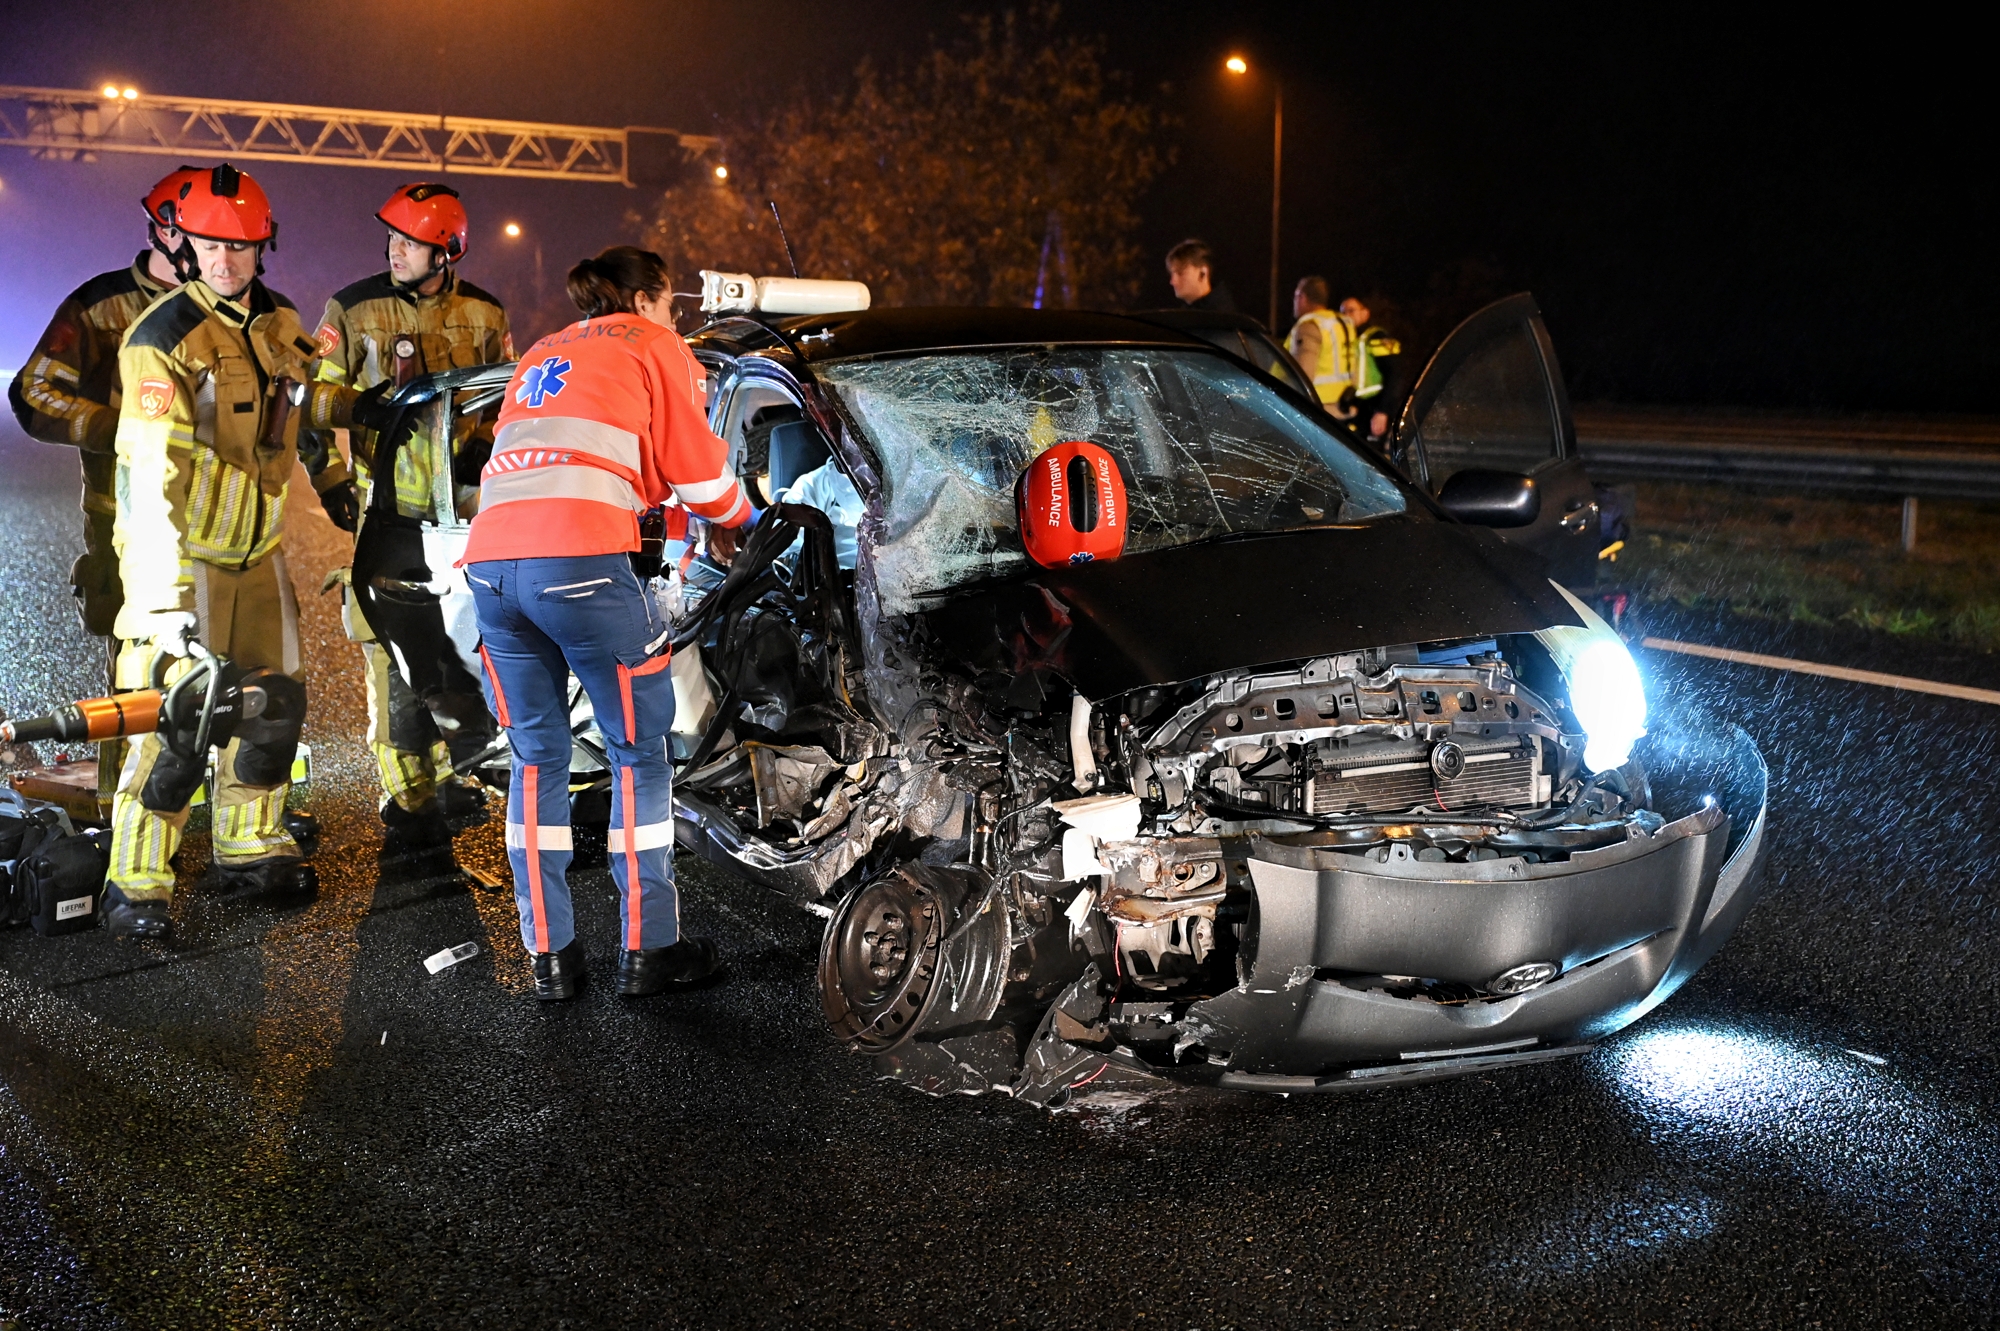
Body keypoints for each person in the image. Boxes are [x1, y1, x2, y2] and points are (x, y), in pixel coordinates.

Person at [103, 163, 383, 939]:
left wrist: (361, 410)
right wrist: (161, 604)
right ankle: (135, 881)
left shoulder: (281, 321)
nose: (226, 260)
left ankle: (248, 846)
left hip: (257, 553)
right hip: (186, 558)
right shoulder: (162, 339)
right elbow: (148, 480)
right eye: (210, 245)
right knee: (176, 717)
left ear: (264, 246)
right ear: (185, 246)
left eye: (241, 245)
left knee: (273, 705)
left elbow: (303, 404)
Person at [463, 245, 751, 1001]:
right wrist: (745, 520)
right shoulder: (656, 342)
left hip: (491, 568)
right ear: (651, 297)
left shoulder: (543, 348)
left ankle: (549, 958)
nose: (675, 317)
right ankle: (649, 949)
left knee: (536, 761)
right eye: (671, 304)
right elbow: (697, 465)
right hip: (583, 564)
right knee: (638, 755)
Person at [302, 182, 514, 847]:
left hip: (464, 508)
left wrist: (486, 455)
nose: (395, 250)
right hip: (387, 508)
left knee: (460, 642)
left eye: (411, 242)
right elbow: (307, 396)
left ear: (446, 251)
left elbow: (508, 394)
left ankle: (460, 773)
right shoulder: (353, 308)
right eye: (391, 237)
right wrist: (332, 469)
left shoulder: (484, 312)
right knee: (390, 650)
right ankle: (408, 793)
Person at [9, 167, 195, 806]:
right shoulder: (101, 305)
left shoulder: (226, 306)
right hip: (128, 517)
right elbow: (33, 393)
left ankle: (218, 805)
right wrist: (120, 428)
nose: (221, 253)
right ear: (166, 231)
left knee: (220, 663)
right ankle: (131, 805)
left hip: (216, 519)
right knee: (140, 667)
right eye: (206, 236)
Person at [1286, 276, 1359, 419]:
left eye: (1296, 297)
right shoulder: (1343, 324)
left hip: (1318, 412)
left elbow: (1302, 378)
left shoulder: (1309, 326)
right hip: (1346, 407)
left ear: (1302, 297)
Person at [1339, 296, 1408, 446]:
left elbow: (1395, 374)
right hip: (1353, 409)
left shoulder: (1376, 337)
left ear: (1365, 314)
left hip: (1373, 409)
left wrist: (1382, 411)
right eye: (1342, 311)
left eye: (1351, 310)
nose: (1346, 315)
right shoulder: (1345, 339)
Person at [1165, 239, 1238, 313]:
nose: (1172, 282)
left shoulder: (1221, 317)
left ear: (1203, 273)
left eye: (1181, 273)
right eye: (1172, 274)